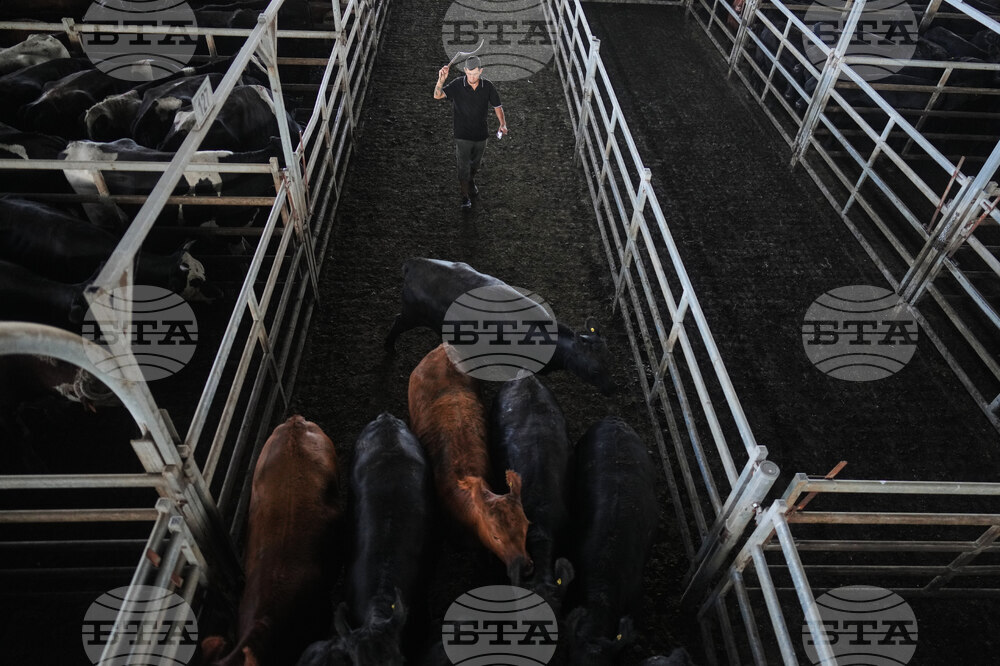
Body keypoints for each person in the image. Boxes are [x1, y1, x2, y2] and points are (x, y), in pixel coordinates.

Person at [434, 56, 508, 209]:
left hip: (481, 135)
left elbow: (497, 106)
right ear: (465, 71)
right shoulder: (457, 85)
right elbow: (437, 95)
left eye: (476, 74)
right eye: (469, 73)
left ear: (481, 71)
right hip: (462, 135)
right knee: (463, 167)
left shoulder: (487, 87)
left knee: (475, 165)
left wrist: (502, 124)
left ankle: (471, 180)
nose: (472, 77)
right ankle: (465, 196)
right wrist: (441, 80)